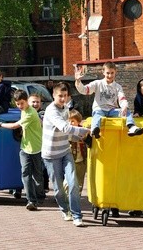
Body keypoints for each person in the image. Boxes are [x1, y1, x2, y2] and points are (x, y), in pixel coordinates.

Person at [41, 82, 90, 227]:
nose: (63, 99)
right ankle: (64, 209)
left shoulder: (66, 109)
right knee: (58, 190)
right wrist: (84, 130)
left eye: (65, 96)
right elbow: (65, 127)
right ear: (54, 96)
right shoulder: (51, 111)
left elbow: (69, 134)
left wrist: (83, 137)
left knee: (73, 182)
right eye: (60, 96)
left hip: (65, 151)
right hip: (50, 154)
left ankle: (77, 215)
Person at [0, 89, 43, 211]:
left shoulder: (31, 113)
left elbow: (15, 126)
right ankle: (31, 200)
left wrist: (0, 124)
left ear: (26, 101)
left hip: (36, 147)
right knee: (25, 173)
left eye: (22, 103)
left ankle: (39, 195)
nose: (20, 106)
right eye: (17, 104)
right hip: (25, 148)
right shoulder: (23, 111)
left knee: (37, 175)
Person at [75, 61, 143, 138]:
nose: (110, 75)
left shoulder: (118, 87)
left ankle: (132, 127)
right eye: (108, 73)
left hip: (112, 110)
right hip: (100, 109)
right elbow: (85, 90)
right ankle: (95, 130)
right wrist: (78, 81)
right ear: (103, 72)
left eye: (112, 73)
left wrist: (124, 107)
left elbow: (122, 98)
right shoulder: (97, 83)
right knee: (97, 115)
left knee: (127, 111)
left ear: (115, 72)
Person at [28, 93, 49, 195]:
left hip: (42, 144)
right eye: (33, 102)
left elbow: (44, 124)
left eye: (37, 102)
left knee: (42, 168)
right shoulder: (25, 113)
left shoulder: (43, 114)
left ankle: (43, 188)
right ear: (28, 103)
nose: (35, 104)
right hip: (29, 144)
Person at [65, 109, 87, 195]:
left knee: (79, 181)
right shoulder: (66, 132)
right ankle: (67, 196)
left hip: (81, 160)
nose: (70, 123)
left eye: (73, 121)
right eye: (68, 121)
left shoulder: (83, 131)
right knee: (68, 180)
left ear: (78, 122)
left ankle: (77, 196)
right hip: (70, 159)